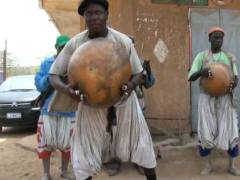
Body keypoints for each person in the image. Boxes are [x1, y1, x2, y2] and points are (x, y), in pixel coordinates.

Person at [49, 1, 157, 180]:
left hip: (124, 103)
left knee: (142, 145)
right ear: (84, 18)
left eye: (98, 13)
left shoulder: (122, 41)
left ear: (106, 14)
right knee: (83, 153)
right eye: (89, 14)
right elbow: (53, 76)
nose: (94, 18)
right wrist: (67, 90)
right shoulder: (75, 43)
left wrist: (130, 87)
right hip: (89, 104)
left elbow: (139, 73)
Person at [188, 26, 240, 176]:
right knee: (205, 132)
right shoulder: (202, 57)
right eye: (215, 37)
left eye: (220, 38)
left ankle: (232, 165)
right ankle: (207, 165)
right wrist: (201, 72)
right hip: (207, 99)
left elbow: (236, 78)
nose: (218, 40)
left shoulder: (229, 57)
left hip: (225, 99)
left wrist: (233, 85)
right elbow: (190, 76)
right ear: (209, 39)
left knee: (231, 131)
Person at [104, 36, 156, 176]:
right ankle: (115, 161)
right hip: (116, 105)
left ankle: (140, 162)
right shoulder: (112, 63)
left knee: (138, 135)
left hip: (137, 104)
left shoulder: (139, 63)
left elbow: (149, 84)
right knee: (115, 134)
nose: (129, 48)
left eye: (132, 45)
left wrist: (148, 70)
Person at [35, 35, 76, 180]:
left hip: (69, 112)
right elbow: (39, 84)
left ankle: (64, 172)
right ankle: (46, 174)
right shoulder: (47, 63)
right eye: (61, 47)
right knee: (45, 143)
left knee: (68, 145)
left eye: (67, 47)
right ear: (56, 48)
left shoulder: (75, 63)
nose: (64, 50)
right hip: (48, 111)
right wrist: (52, 77)